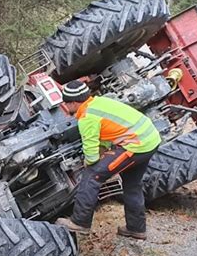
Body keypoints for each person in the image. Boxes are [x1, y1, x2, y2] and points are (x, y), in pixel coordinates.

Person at [56, 80, 161, 240]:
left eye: (66, 102)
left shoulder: (87, 118)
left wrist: (90, 162)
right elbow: (107, 130)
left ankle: (80, 222)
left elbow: (91, 155)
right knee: (132, 183)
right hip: (149, 138)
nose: (65, 106)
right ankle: (136, 228)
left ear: (75, 102)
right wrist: (103, 150)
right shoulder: (99, 102)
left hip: (137, 144)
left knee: (92, 176)